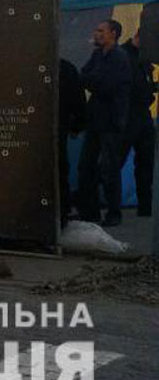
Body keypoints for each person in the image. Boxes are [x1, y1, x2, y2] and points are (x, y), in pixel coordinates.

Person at [77, 19, 133, 227]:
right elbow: (85, 76)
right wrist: (93, 79)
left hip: (111, 122)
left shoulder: (120, 58)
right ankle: (89, 212)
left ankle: (113, 212)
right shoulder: (97, 55)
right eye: (96, 29)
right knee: (86, 166)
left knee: (109, 168)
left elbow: (106, 86)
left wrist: (92, 80)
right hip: (95, 120)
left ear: (113, 33)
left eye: (101, 30)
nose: (96, 33)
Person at [121, 27, 157, 216]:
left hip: (142, 116)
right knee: (114, 163)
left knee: (146, 163)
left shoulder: (143, 59)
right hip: (127, 116)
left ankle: (145, 206)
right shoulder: (123, 56)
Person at [57, 58, 87, 226]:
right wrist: (77, 126)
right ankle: (61, 214)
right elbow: (79, 100)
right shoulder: (66, 68)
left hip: (31, 130)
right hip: (58, 129)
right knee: (60, 169)